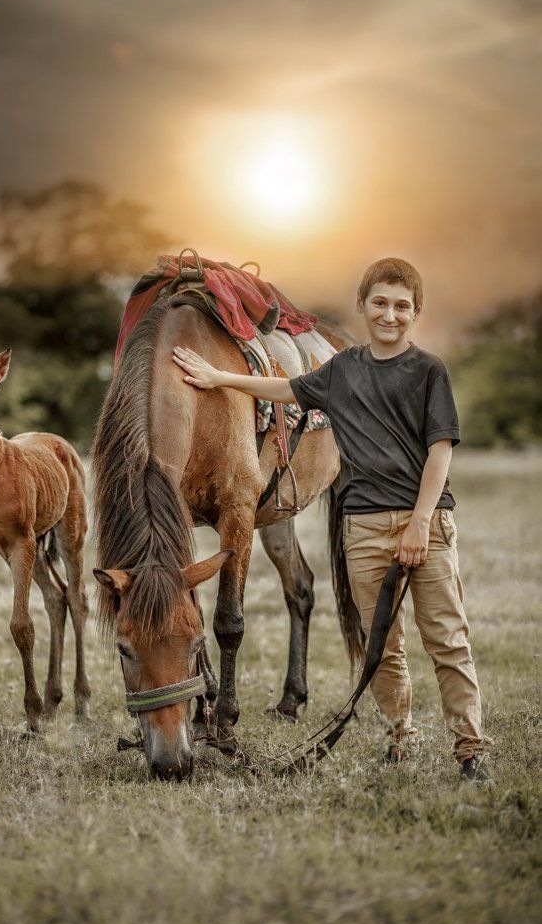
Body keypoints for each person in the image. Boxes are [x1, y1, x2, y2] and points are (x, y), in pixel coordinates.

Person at [172, 257, 490, 783]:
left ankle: (470, 749)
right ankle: (399, 737)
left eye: (402, 307)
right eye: (380, 304)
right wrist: (218, 377)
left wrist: (419, 523)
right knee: (381, 645)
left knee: (447, 640)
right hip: (363, 527)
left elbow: (440, 452)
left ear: (416, 312)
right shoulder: (344, 369)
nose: (390, 315)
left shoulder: (429, 371)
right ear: (363, 307)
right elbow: (286, 391)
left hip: (424, 523)